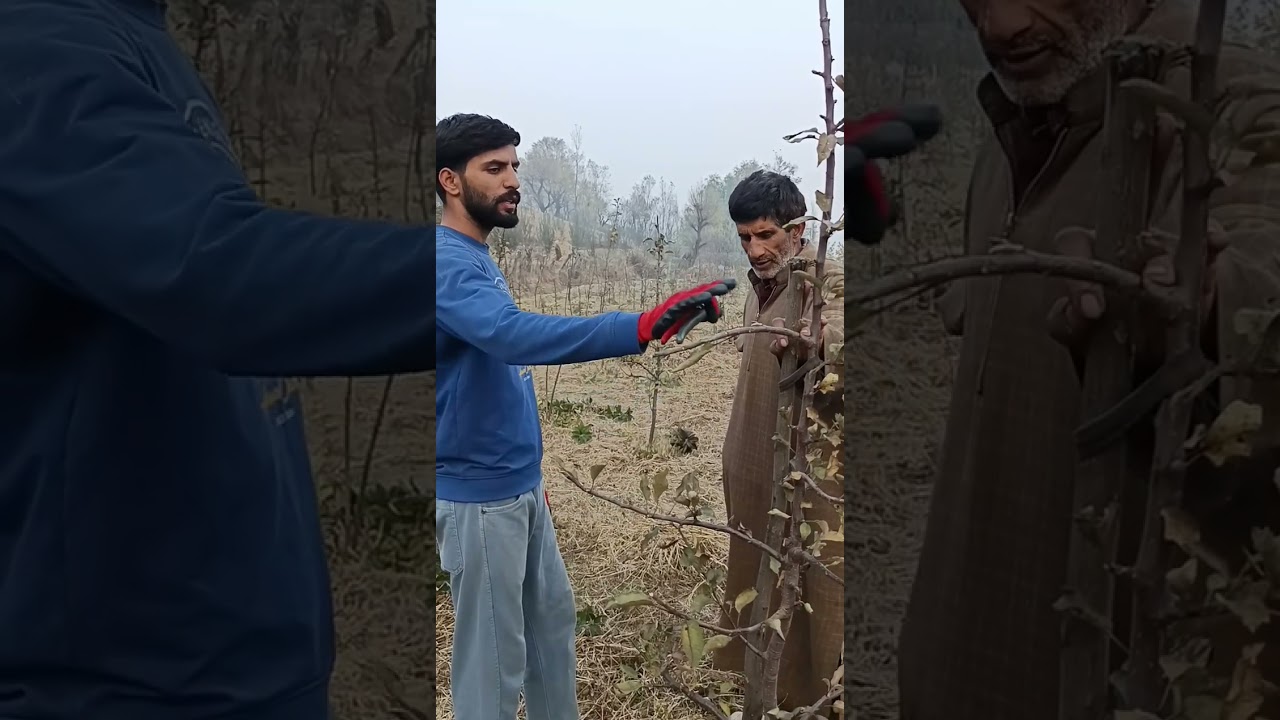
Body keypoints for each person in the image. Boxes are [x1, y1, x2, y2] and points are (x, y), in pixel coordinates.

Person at [0, 0, 441, 718]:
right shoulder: (32, 51)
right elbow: (221, 274)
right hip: (125, 685)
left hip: (230, 666)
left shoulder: (124, 37)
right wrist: (474, 286)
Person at [898, 0, 1280, 717]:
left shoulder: (1232, 113)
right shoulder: (1023, 124)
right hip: (962, 659)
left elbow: (1260, 274)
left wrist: (1204, 312)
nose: (1000, 26)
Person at [434, 112, 737, 720]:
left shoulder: (475, 256)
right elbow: (512, 338)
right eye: (494, 169)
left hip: (517, 486)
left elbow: (497, 379)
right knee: (492, 671)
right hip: (479, 498)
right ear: (449, 181)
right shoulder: (442, 264)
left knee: (551, 628)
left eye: (514, 166)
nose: (512, 180)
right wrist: (640, 326)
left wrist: (532, 475)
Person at [711, 170, 845, 710]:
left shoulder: (825, 283)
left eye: (766, 234)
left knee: (816, 591)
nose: (756, 248)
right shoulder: (758, 292)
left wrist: (820, 343)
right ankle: (765, 691)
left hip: (808, 477)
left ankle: (821, 699)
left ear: (798, 227)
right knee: (755, 572)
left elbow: (845, 337)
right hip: (751, 465)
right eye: (745, 237)